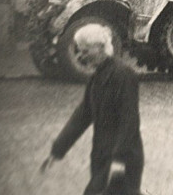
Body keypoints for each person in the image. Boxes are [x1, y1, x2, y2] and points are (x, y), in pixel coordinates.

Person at [41, 29, 144, 195]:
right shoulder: (97, 77)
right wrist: (58, 149)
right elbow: (82, 115)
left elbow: (129, 120)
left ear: (100, 47)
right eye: (79, 50)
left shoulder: (124, 74)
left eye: (85, 50)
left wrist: (118, 160)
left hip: (122, 159)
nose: (80, 56)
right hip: (103, 157)